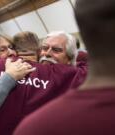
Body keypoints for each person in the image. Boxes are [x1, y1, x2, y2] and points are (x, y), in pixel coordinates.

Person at [13, 0, 115, 135]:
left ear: (70, 58)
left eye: (56, 50)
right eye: (44, 48)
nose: (47, 53)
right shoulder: (21, 72)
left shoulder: (78, 76)